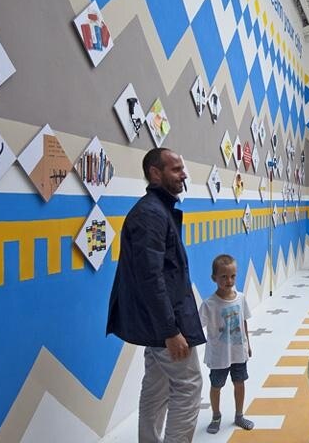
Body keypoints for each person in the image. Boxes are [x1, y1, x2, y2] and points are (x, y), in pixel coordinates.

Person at [106, 148, 205, 443]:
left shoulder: (158, 210)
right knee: (188, 386)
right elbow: (151, 279)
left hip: (157, 322)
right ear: (155, 173)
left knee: (156, 386)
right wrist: (170, 331)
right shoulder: (150, 214)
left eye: (182, 168)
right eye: (176, 169)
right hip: (165, 323)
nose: (183, 174)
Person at [199, 254, 254, 434]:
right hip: (219, 356)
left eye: (232, 276)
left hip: (238, 353)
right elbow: (198, 327)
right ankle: (216, 416)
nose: (229, 280)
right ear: (214, 278)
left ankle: (239, 415)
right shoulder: (209, 304)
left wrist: (248, 344)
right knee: (216, 386)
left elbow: (243, 321)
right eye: (223, 276)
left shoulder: (241, 298)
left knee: (240, 383)